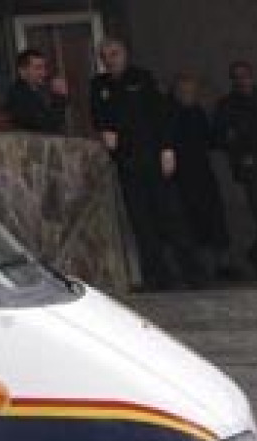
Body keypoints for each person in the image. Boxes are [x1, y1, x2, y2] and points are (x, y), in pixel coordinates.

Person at [91, 38, 201, 290]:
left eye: (115, 53)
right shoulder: (99, 84)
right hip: (126, 160)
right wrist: (104, 130)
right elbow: (97, 113)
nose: (110, 59)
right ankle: (158, 277)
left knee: (171, 216)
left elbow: (162, 114)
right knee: (141, 222)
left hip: (152, 155)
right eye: (105, 55)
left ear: (125, 54)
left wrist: (167, 148)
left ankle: (193, 273)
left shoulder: (142, 78)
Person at [169, 73, 230, 277]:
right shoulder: (171, 114)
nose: (191, 95)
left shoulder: (197, 112)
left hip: (203, 172)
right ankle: (201, 267)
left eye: (193, 92)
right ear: (177, 92)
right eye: (186, 91)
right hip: (183, 177)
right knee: (193, 221)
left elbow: (208, 140)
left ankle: (221, 265)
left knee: (215, 217)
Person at [215, 60, 257, 265]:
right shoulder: (227, 105)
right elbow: (221, 137)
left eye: (245, 75)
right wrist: (239, 150)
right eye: (237, 77)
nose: (242, 80)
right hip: (249, 169)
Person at [6, 49, 69, 134]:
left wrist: (60, 98)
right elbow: (44, 126)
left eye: (44, 68)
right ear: (22, 71)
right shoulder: (18, 95)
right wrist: (59, 98)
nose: (43, 73)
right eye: (37, 68)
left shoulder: (42, 91)